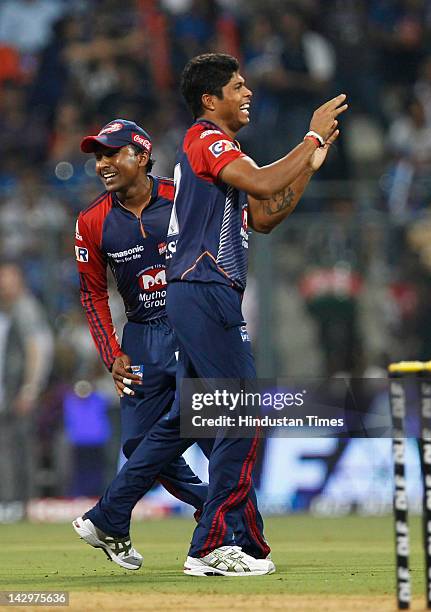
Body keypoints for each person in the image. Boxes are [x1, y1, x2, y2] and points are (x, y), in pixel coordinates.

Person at [72, 52, 347, 578]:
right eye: (238, 86)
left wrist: (309, 166)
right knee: (240, 414)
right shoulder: (207, 139)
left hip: (193, 292)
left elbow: (264, 214)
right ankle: (212, 546)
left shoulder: (213, 157)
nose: (247, 94)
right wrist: (310, 138)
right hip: (204, 288)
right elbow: (265, 183)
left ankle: (109, 515)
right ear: (210, 98)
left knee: (189, 421)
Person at [72, 119, 209, 570]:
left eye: (113, 153)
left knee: (217, 439)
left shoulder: (180, 197)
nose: (104, 164)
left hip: (191, 329)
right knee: (136, 445)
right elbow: (92, 293)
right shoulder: (92, 221)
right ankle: (214, 505)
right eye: (98, 157)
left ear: (142, 155)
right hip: (142, 336)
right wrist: (112, 355)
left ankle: (227, 523)